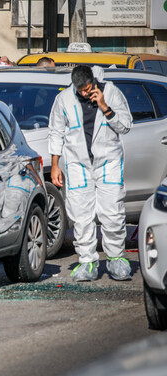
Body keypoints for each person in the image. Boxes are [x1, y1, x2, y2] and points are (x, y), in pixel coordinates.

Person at [48, 65, 133, 282]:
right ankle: (87, 261)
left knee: (112, 212)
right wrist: (55, 165)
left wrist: (104, 106)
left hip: (108, 162)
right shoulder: (64, 99)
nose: (84, 94)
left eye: (87, 89)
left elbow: (125, 125)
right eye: (80, 90)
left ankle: (116, 258)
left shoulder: (111, 92)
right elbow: (56, 132)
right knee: (80, 215)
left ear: (93, 81)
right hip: (78, 164)